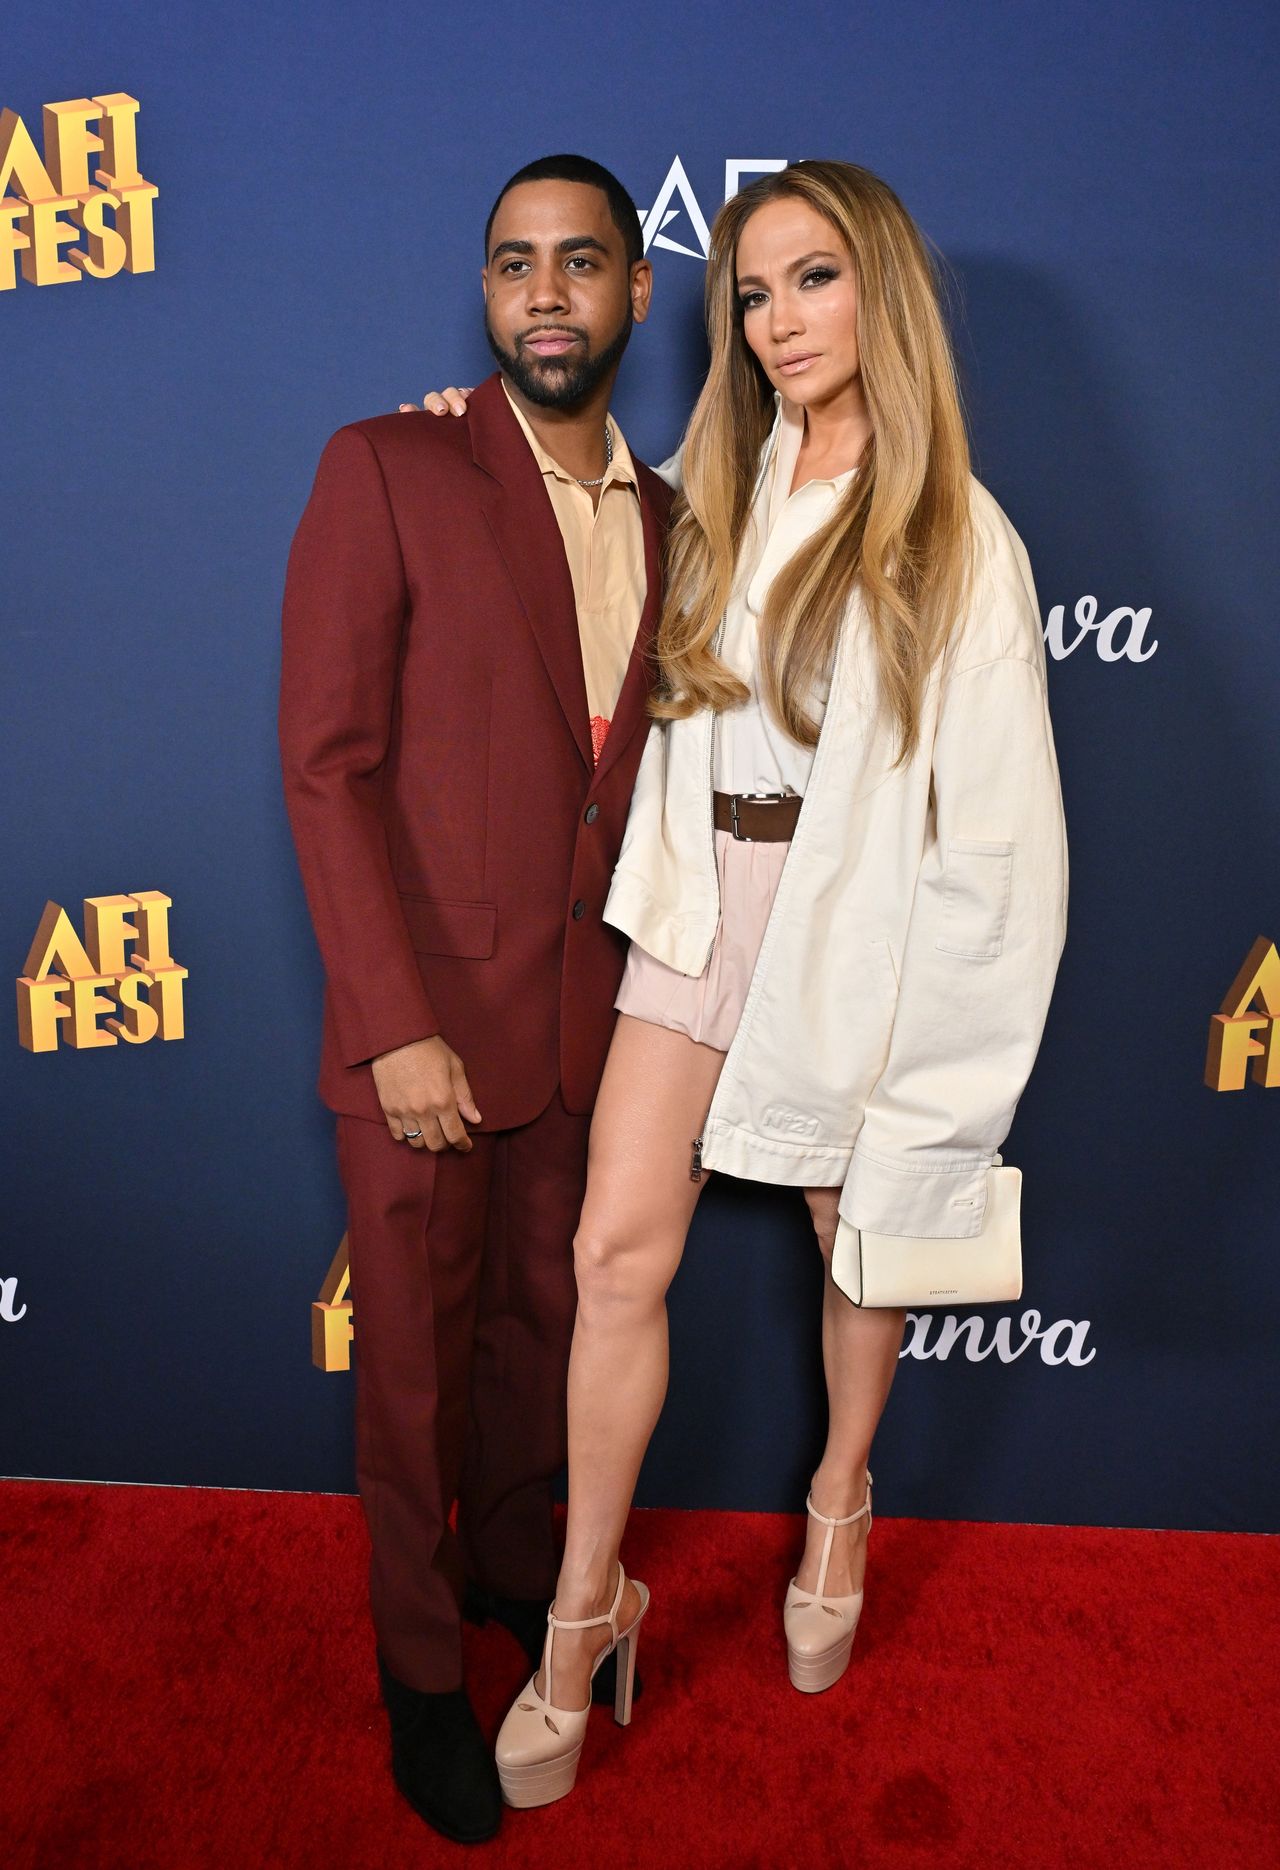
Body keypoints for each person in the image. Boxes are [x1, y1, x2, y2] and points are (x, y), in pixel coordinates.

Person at [414, 157, 1069, 1810]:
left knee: (867, 1236)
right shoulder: (710, 492)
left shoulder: (959, 537)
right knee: (614, 1250)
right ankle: (584, 1610)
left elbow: (999, 839)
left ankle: (840, 1497)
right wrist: (466, 435)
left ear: (885, 292)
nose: (780, 321)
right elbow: (562, 532)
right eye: (754, 294)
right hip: (698, 900)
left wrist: (944, 1055)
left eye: (815, 280)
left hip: (866, 924)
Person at [278, 154, 674, 1844]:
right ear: (486, 291)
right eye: (515, 265)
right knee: (417, 1377)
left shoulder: (676, 521)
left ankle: (524, 1573)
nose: (544, 295)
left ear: (635, 294)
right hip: (422, 1036)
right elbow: (326, 766)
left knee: (539, 1347)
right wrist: (391, 1020)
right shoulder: (388, 465)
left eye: (581, 264)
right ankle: (420, 1674)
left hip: (591, 1028)